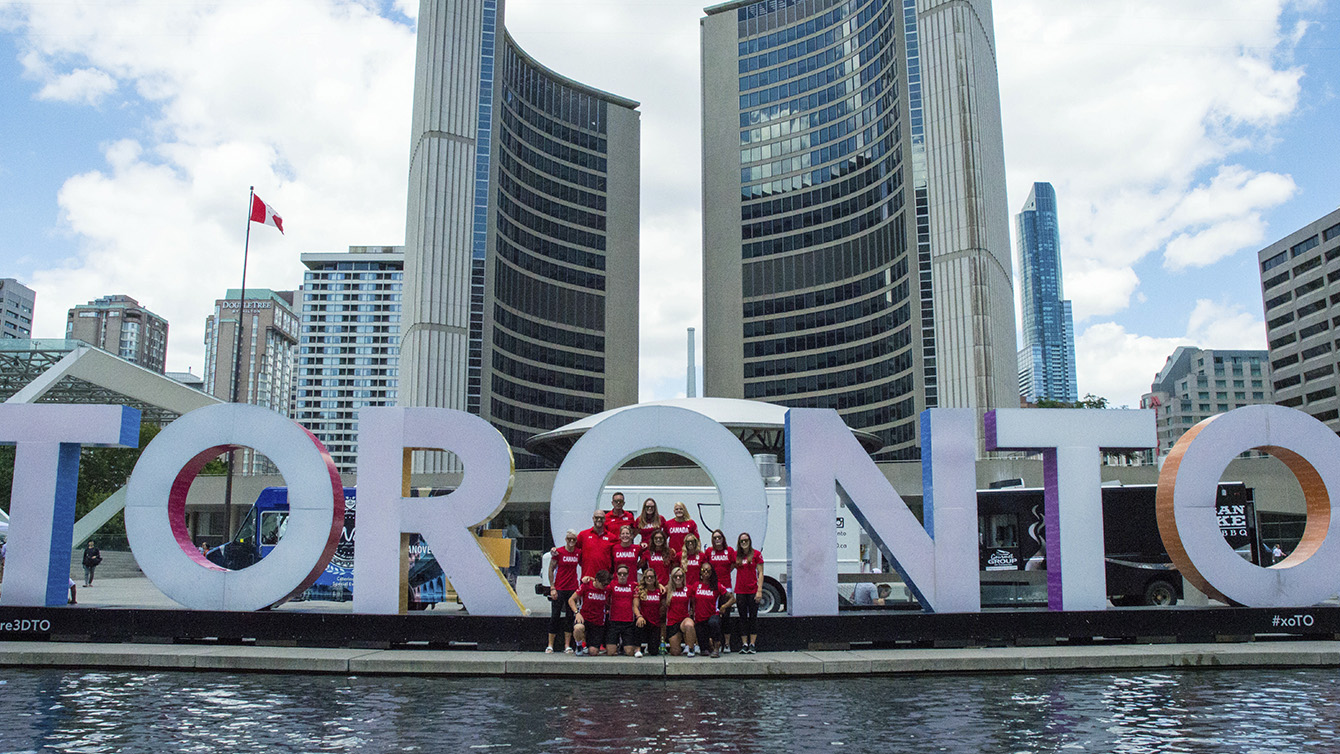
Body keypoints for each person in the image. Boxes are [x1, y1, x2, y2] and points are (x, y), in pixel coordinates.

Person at [546, 530, 582, 653]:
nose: (571, 542)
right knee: (555, 616)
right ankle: (550, 645)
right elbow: (551, 569)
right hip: (560, 588)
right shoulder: (559, 552)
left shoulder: (578, 552)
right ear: (565, 539)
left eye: (574, 540)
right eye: (569, 539)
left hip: (572, 589)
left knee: (569, 616)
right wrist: (552, 587)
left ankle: (567, 645)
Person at [693, 560, 735, 658]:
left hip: (713, 615)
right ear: (700, 572)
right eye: (704, 570)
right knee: (704, 651)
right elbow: (691, 599)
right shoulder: (696, 585)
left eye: (708, 571)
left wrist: (724, 606)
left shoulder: (717, 585)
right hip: (699, 619)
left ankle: (717, 646)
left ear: (712, 573)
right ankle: (708, 645)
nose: (706, 573)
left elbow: (732, 599)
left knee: (714, 623)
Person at [705, 529, 737, 652]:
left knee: (726, 617)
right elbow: (706, 567)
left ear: (723, 539)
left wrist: (727, 572)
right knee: (713, 617)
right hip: (713, 588)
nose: (717, 540)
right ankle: (714, 643)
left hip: (726, 587)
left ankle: (727, 644)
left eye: (719, 537)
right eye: (715, 538)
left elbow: (734, 563)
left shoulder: (729, 551)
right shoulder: (709, 551)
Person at [570, 569, 612, 656]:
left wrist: (590, 578)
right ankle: (579, 646)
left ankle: (589, 645)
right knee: (578, 627)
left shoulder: (607, 589)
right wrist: (577, 613)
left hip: (598, 622)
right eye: (603, 584)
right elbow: (571, 600)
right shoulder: (586, 586)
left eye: (606, 584)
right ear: (597, 581)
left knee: (593, 652)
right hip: (584, 617)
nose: (605, 586)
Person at [733, 532, 763, 654]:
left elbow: (760, 573)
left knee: (753, 617)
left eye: (746, 540)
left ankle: (752, 644)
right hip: (740, 591)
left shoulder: (756, 554)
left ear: (750, 541)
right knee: (742, 618)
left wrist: (759, 590)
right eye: (742, 541)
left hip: (752, 591)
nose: (744, 543)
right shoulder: (736, 556)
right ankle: (744, 644)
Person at [606, 564, 640, 656]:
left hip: (628, 622)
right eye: (620, 573)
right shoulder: (611, 585)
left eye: (624, 574)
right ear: (616, 574)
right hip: (613, 621)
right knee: (610, 652)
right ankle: (618, 644)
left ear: (628, 575)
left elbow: (646, 584)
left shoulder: (633, 585)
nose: (622, 576)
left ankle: (623, 645)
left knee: (629, 652)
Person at [663, 567, 697, 657]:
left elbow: (694, 602)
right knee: (675, 652)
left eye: (680, 576)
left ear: (683, 577)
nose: (678, 578)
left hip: (684, 619)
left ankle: (690, 648)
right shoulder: (667, 589)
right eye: (675, 576)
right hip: (672, 621)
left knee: (689, 625)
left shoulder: (688, 589)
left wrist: (693, 612)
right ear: (672, 578)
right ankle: (682, 643)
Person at [633, 567, 665, 656]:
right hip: (643, 620)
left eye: (651, 577)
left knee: (654, 651)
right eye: (647, 577)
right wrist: (639, 616)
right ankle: (637, 649)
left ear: (655, 578)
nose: (649, 579)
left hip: (655, 622)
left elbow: (663, 606)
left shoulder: (659, 591)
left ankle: (650, 646)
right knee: (639, 622)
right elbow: (635, 606)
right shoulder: (639, 589)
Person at [576, 512, 614, 578]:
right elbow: (573, 549)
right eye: (596, 517)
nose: (599, 519)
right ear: (593, 519)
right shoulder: (583, 535)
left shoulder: (612, 537)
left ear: (605, 519)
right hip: (587, 578)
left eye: (601, 518)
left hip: (604, 580)